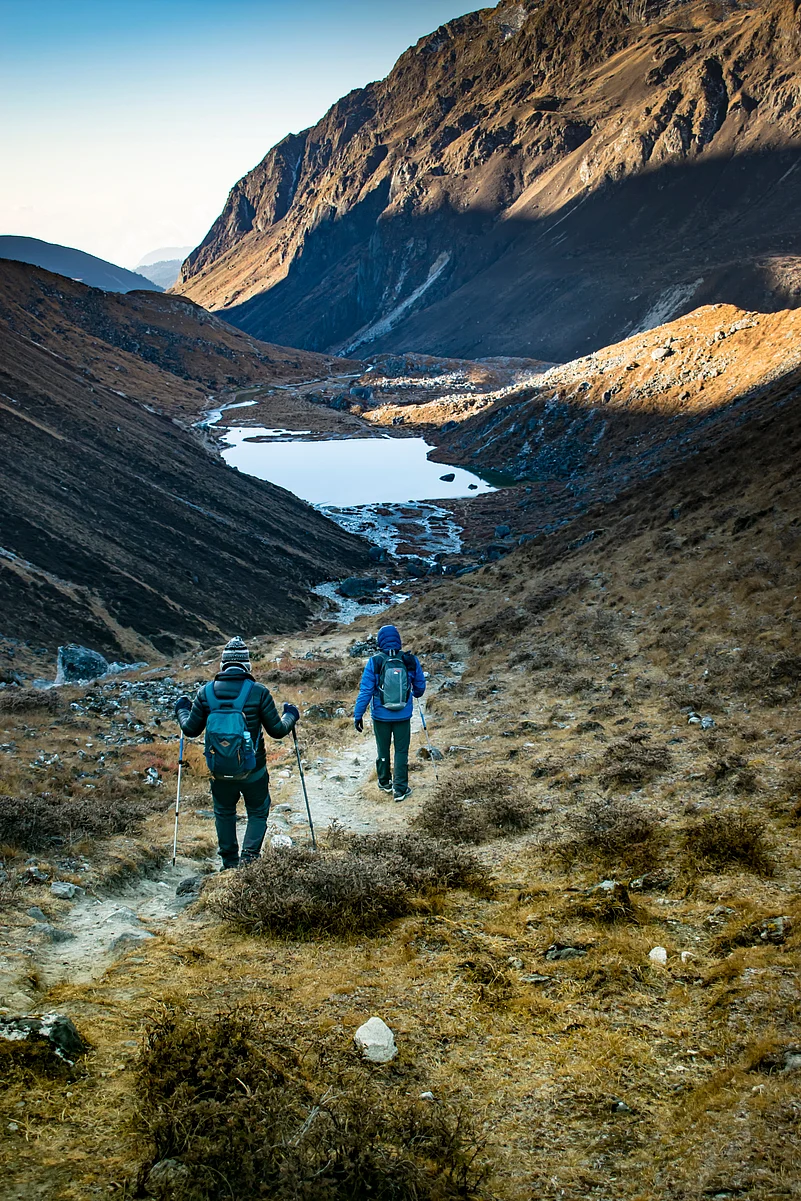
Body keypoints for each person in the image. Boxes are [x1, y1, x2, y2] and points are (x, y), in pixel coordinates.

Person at [174, 636, 299, 870]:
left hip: (219, 770)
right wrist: (291, 714)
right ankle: (249, 860)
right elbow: (278, 731)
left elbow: (190, 729)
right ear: (246, 665)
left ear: (223, 665)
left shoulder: (205, 693)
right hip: (253, 769)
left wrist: (182, 709)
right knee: (258, 812)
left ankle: (229, 863)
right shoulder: (258, 692)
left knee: (223, 812)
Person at [353, 624, 426, 801]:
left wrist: (358, 714)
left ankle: (384, 782)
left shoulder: (375, 661)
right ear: (398, 640)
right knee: (401, 751)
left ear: (380, 641)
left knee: (383, 749)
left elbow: (366, 691)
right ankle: (400, 789)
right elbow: (420, 687)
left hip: (380, 716)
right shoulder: (410, 660)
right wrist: (414, 692)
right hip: (403, 715)